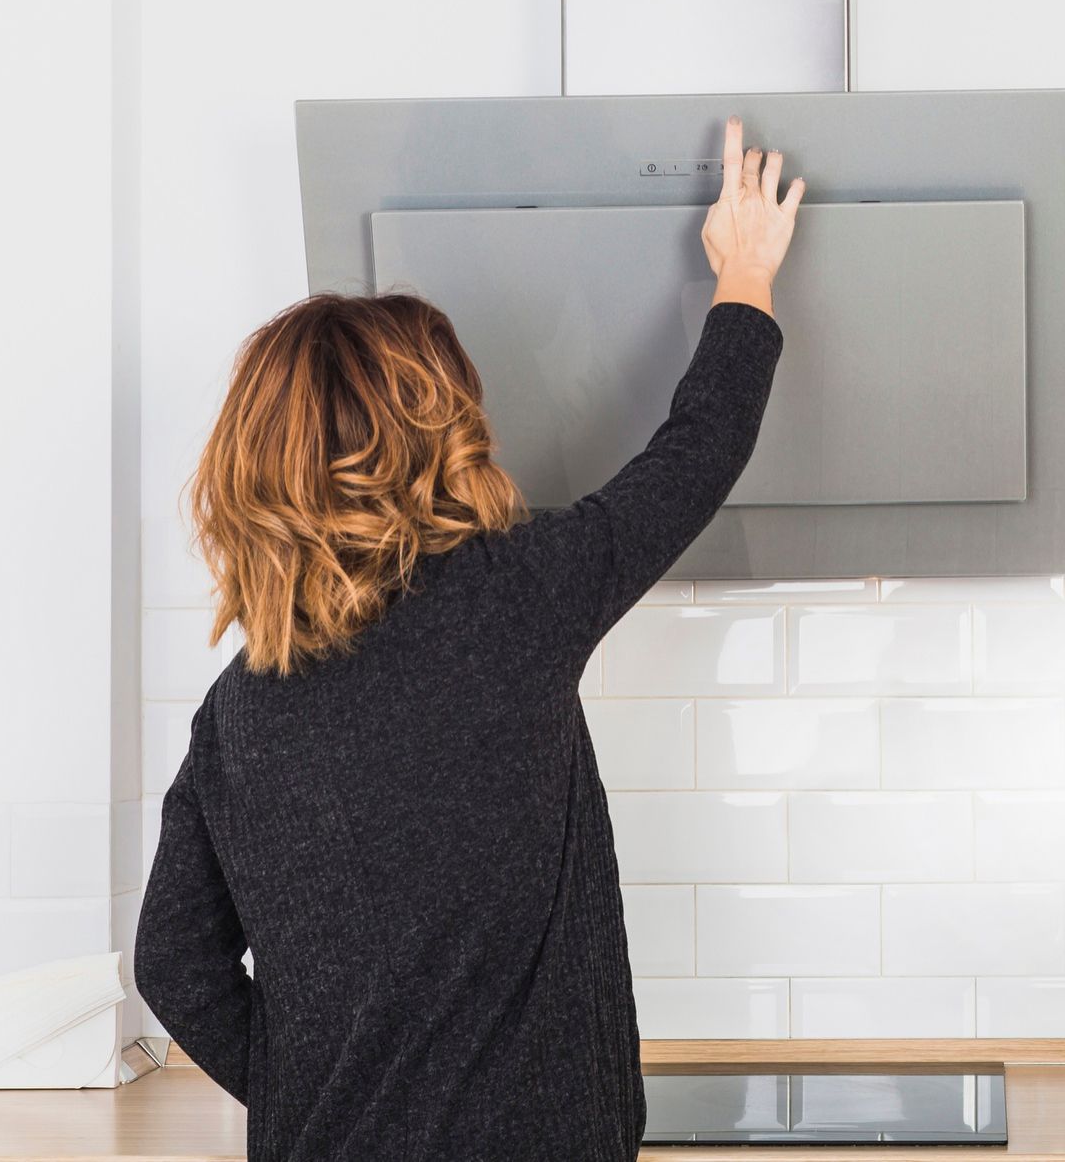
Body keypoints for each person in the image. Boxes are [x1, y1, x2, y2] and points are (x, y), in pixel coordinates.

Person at [134, 118, 804, 1160]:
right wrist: (745, 275)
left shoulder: (242, 704)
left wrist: (309, 1089)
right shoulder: (512, 599)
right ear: (438, 431)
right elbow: (693, 454)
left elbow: (174, 960)